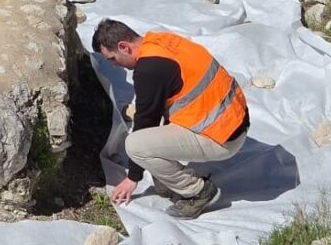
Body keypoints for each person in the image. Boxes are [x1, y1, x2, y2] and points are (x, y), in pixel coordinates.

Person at [92, 18, 249, 219]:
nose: (114, 66)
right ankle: (170, 181)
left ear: (124, 47)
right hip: (232, 122)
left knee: (135, 145)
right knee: (151, 138)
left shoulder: (148, 70)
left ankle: (198, 192)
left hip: (222, 138)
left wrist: (133, 177)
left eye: (112, 59)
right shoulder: (162, 41)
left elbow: (145, 121)